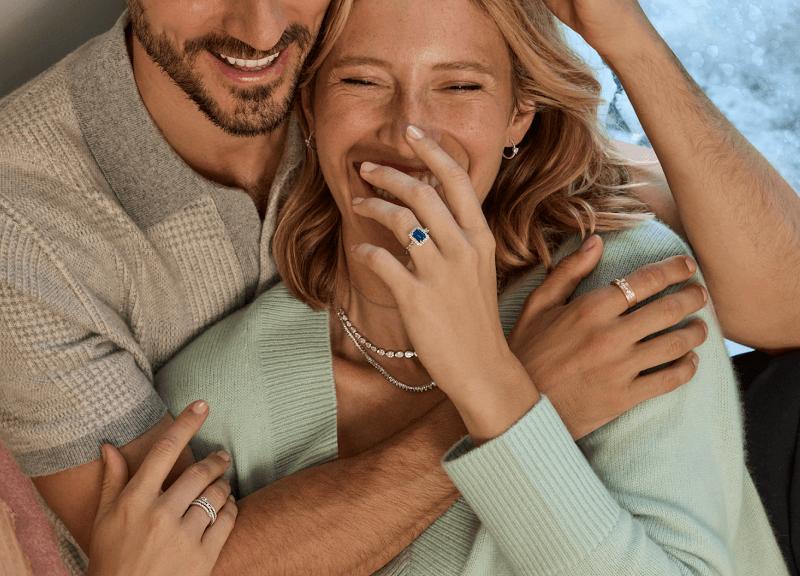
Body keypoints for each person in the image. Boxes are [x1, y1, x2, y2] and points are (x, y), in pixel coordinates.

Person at [0, 0, 797, 573]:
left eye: (459, 87)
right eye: (362, 83)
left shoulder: (614, 277)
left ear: (521, 112)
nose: (258, 28)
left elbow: (782, 298)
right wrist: (508, 396)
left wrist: (622, 30)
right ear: (312, 109)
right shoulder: (202, 381)